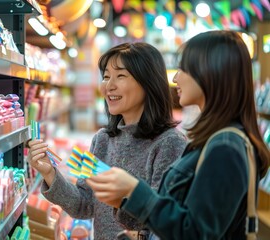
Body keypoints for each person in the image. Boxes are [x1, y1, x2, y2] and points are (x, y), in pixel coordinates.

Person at [86, 30, 270, 239]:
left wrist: (134, 190)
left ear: (210, 72)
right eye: (106, 76)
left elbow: (196, 233)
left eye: (183, 68)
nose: (174, 78)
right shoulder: (216, 141)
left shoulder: (225, 147)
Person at [28, 42, 187, 239]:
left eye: (120, 76)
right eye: (105, 76)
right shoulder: (102, 140)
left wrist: (122, 198)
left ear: (148, 82)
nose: (109, 86)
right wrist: (50, 173)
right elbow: (83, 205)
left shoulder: (169, 144)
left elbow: (164, 221)